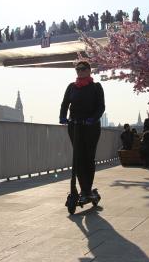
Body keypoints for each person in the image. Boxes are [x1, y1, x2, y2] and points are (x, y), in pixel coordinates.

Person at [59, 61, 105, 204]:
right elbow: (65, 103)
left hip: (90, 126)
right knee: (78, 157)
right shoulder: (71, 87)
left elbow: (101, 107)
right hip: (75, 125)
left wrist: (93, 119)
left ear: (89, 70)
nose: (80, 71)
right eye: (77, 69)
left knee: (88, 157)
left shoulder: (96, 87)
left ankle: (87, 189)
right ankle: (83, 189)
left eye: (83, 69)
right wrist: (62, 117)